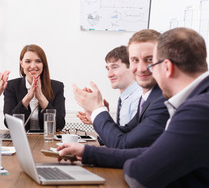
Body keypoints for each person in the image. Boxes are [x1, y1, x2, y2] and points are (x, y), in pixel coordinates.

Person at [58, 27, 209, 187]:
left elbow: (141, 173)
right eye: (135, 60)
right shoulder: (198, 102)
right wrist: (88, 153)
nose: (145, 69)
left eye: (152, 63)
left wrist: (97, 109)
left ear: (167, 67)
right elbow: (154, 153)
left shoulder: (198, 110)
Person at [74, 29, 169, 148]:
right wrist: (96, 116)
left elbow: (123, 145)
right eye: (135, 60)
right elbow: (127, 133)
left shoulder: (163, 100)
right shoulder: (148, 97)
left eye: (149, 59)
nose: (141, 68)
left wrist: (97, 109)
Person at [3, 44, 66, 131]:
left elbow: (59, 124)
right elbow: (8, 123)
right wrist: (27, 98)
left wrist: (41, 98)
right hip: (22, 139)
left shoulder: (57, 87)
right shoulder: (11, 86)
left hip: (47, 139)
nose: (33, 66)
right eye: (28, 61)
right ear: (21, 64)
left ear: (43, 64)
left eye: (38, 61)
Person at [78, 45, 142, 126]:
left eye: (114, 67)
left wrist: (98, 110)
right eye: (108, 69)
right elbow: (120, 135)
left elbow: (129, 138)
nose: (109, 74)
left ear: (132, 67)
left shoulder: (139, 99)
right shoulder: (126, 97)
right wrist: (99, 119)